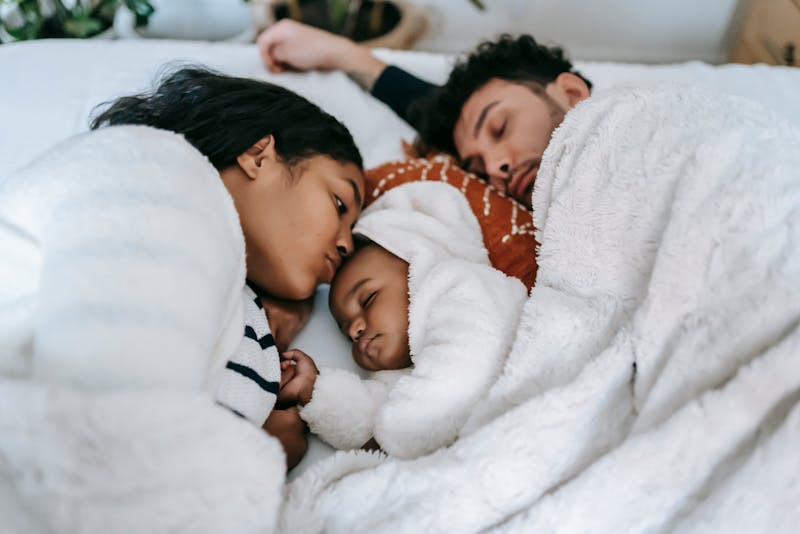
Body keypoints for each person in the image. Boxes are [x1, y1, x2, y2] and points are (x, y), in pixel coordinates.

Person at [87, 66, 366, 469]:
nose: (346, 243)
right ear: (259, 155)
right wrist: (279, 442)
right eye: (340, 204)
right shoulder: (137, 197)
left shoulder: (249, 316)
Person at [281, 182, 527, 459]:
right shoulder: (404, 379)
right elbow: (374, 428)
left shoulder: (461, 285)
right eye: (346, 331)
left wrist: (396, 438)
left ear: (418, 265)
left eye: (368, 299)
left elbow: (465, 365)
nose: (355, 328)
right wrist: (315, 391)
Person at [257, 20, 593, 209]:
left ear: (571, 94)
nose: (494, 169)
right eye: (477, 167)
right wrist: (341, 55)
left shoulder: (633, 128)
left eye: (499, 127)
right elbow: (425, 105)